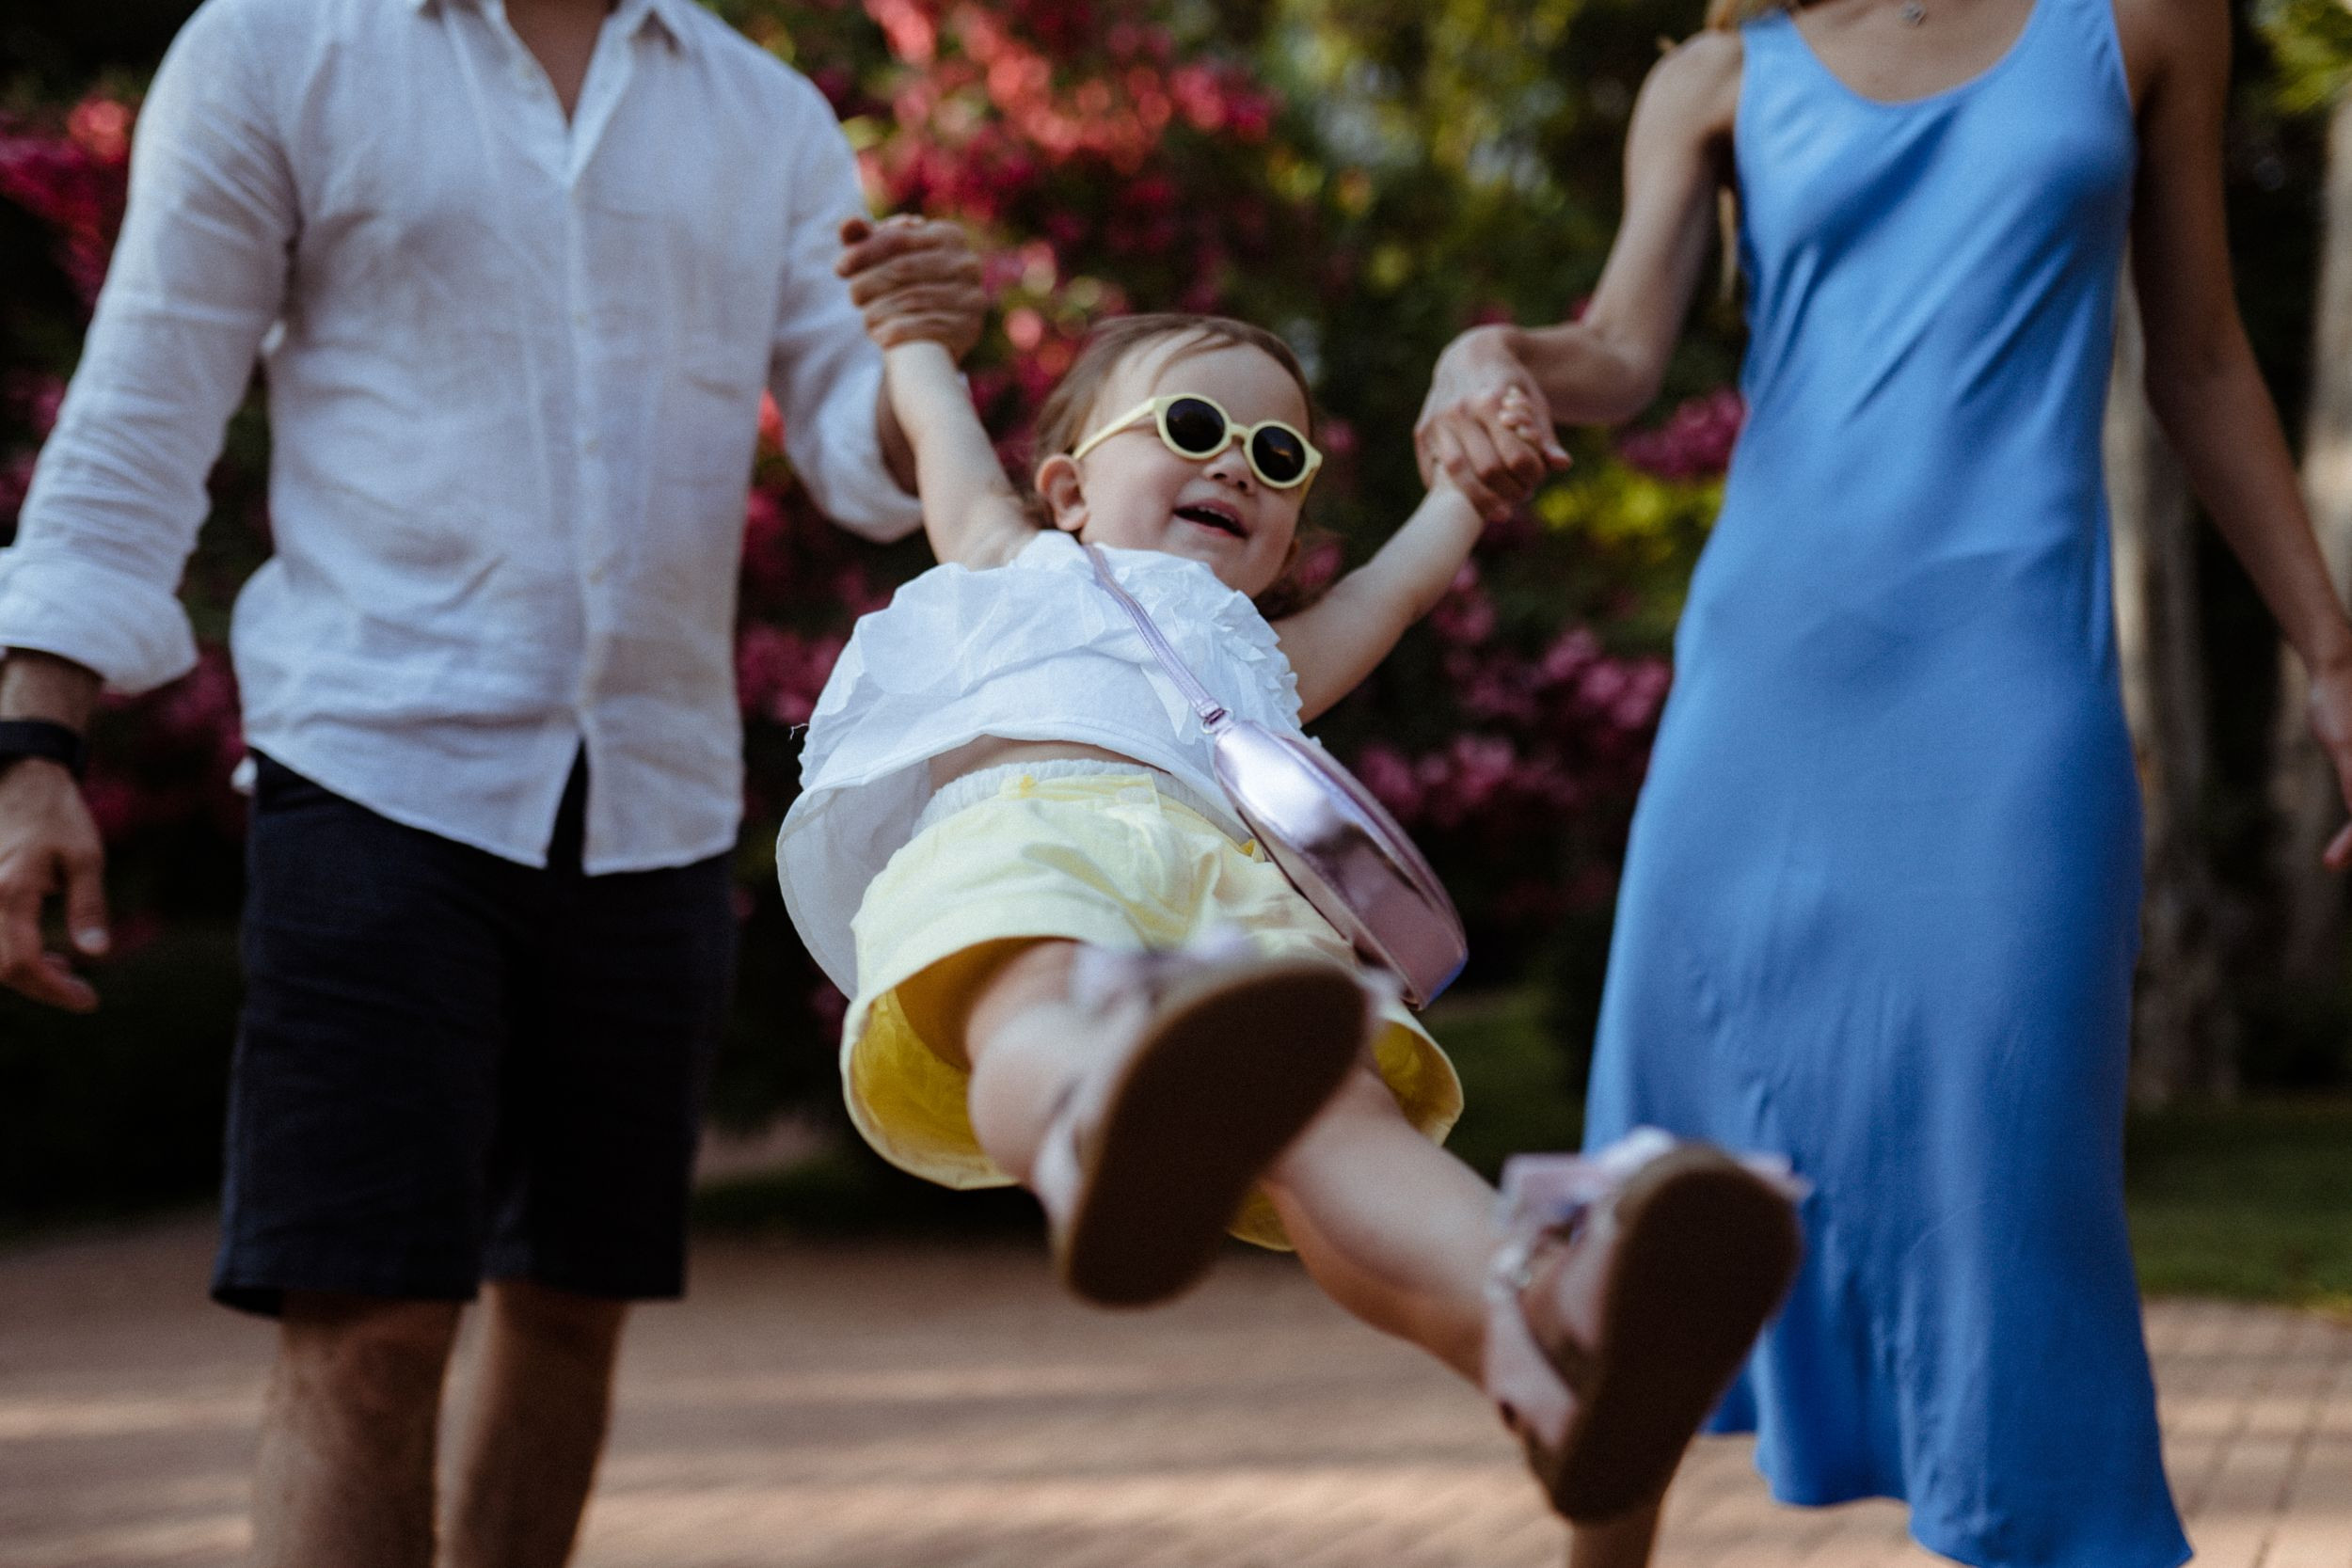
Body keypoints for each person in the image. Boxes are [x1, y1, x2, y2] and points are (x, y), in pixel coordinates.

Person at [0, 0, 983, 1563]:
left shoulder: (764, 112)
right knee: (369, 1324)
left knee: (574, 1309)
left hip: (656, 796)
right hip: (374, 767)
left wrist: (911, 342)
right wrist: (32, 741)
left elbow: (853, 449)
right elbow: (142, 407)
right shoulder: (274, 46)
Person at [1416, 0, 2352, 1563]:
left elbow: (2197, 359)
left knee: (2015, 1183)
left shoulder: (2142, 23)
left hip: (2011, 693)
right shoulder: (1719, 77)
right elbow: (1620, 357)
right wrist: (1485, 354)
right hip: (1762, 691)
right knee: (1658, 1198)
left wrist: (2330, 647)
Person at [779, 268, 1806, 1529]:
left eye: (1278, 457)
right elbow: (943, 437)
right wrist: (915, 341)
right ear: (1069, 489)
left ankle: (1540, 1318)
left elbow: (1396, 587)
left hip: (1228, 902)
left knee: (1339, 1103)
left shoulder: (1266, 657)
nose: (1239, 465)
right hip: (1029, 823)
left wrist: (1465, 492)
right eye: (1192, 428)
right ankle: (1091, 1124)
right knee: (1041, 987)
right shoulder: (1017, 561)